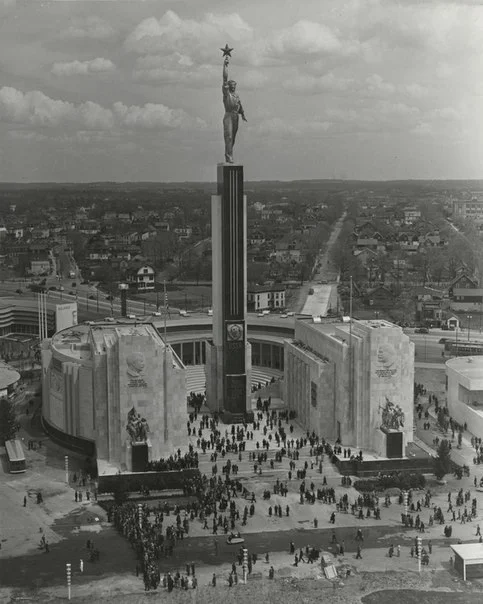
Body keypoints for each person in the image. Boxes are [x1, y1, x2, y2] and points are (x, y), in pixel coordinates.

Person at [222, 56, 247, 163]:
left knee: (233, 138)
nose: (233, 87)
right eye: (231, 85)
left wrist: (243, 114)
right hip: (228, 115)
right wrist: (225, 65)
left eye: (234, 86)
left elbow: (240, 106)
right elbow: (224, 79)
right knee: (229, 136)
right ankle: (229, 156)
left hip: (235, 116)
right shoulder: (226, 94)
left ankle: (229, 153)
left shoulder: (236, 96)